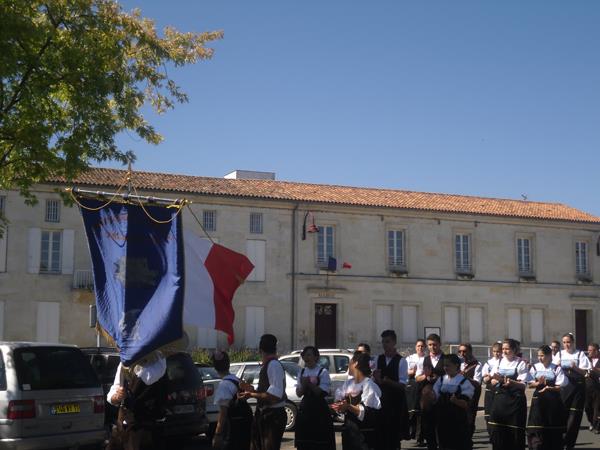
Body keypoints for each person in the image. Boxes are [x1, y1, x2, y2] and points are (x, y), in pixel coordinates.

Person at [106, 353, 168, 450]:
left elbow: (149, 377)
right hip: (130, 426)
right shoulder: (125, 363)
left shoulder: (160, 360)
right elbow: (113, 392)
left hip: (152, 426)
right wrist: (117, 396)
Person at [239, 334, 287, 450]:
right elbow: (268, 393)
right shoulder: (270, 365)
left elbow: (274, 396)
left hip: (273, 415)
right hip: (266, 414)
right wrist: (251, 390)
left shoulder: (273, 365)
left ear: (260, 350)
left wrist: (251, 394)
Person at [332, 351, 382, 450]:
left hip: (363, 434)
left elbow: (367, 413)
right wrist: (339, 407)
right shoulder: (347, 384)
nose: (348, 365)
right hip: (349, 433)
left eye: (350, 363)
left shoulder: (369, 385)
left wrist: (348, 406)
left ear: (356, 363)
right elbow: (340, 402)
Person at [488, 338, 528, 450]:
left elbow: (523, 385)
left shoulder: (520, 363)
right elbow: (492, 379)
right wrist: (494, 380)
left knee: (514, 433)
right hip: (500, 400)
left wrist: (511, 382)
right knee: (498, 431)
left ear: (514, 350)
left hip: (515, 401)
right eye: (503, 349)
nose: (504, 351)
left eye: (507, 349)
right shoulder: (499, 362)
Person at [553, 332, 591, 449]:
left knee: (574, 418)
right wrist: (557, 366)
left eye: (568, 342)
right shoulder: (559, 354)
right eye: (564, 342)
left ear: (573, 342)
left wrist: (575, 367)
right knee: (561, 416)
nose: (566, 344)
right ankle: (560, 441)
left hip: (577, 390)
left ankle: (569, 444)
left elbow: (586, 373)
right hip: (563, 390)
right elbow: (552, 370)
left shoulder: (580, 354)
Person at [526, 345, 568, 450]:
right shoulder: (535, 367)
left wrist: (549, 387)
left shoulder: (556, 368)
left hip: (552, 400)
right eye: (538, 356)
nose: (540, 358)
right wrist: (538, 383)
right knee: (537, 425)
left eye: (542, 355)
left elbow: (560, 387)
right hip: (538, 401)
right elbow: (529, 384)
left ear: (549, 355)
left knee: (552, 424)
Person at [373, 329, 409, 450]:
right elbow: (375, 381)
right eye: (383, 342)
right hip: (381, 401)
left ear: (394, 342)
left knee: (394, 435)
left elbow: (402, 385)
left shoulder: (401, 361)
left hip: (395, 402)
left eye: (387, 341)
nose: (385, 344)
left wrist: (388, 382)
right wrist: (377, 379)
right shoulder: (378, 359)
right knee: (381, 434)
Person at [294, 346, 336, 450]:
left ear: (316, 357)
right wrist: (304, 385)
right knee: (305, 442)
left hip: (319, 409)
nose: (306, 358)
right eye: (304, 355)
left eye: (309, 355)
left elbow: (322, 392)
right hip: (305, 409)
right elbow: (299, 393)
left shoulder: (322, 372)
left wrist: (309, 383)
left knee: (320, 442)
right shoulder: (302, 372)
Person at [432, 354, 475, 450]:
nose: (445, 368)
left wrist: (456, 401)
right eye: (444, 365)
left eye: (448, 365)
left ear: (456, 365)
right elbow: (434, 397)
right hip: (443, 419)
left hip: (458, 420)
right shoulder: (441, 380)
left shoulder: (463, 382)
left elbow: (466, 404)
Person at [211, 351, 252, 450]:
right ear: (229, 364)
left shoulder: (224, 386)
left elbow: (223, 414)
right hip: (244, 427)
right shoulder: (237, 380)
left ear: (215, 368)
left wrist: (217, 434)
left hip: (232, 430)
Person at [419, 333, 444, 450]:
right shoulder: (424, 359)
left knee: (441, 423)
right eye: (429, 345)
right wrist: (426, 376)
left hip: (443, 393)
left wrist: (439, 378)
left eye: (434, 344)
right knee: (428, 422)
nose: (432, 347)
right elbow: (417, 377)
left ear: (439, 344)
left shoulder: (446, 358)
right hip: (428, 394)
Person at [458, 343, 482, 445]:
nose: (462, 354)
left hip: (472, 393)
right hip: (460, 392)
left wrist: (466, 377)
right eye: (460, 351)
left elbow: (477, 383)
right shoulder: (458, 364)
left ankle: (468, 439)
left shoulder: (477, 364)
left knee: (470, 416)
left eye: (464, 351)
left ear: (470, 352)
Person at [405, 339, 426, 445]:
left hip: (423, 384)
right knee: (411, 410)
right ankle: (410, 432)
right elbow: (405, 371)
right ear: (415, 347)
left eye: (422, 346)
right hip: (411, 385)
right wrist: (411, 372)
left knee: (420, 411)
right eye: (418, 346)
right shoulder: (410, 358)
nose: (420, 348)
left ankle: (420, 437)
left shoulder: (427, 358)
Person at [482, 342, 502, 439]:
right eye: (494, 351)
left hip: (500, 389)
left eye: (498, 351)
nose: (496, 353)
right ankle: (491, 435)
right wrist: (489, 377)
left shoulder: (504, 362)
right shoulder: (488, 363)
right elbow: (485, 379)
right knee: (489, 414)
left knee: (498, 413)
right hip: (490, 390)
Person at [585, 343, 600, 434]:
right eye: (588, 350)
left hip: (597, 388)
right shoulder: (586, 359)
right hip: (587, 387)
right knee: (587, 407)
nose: (589, 352)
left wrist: (593, 368)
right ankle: (591, 422)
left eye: (590, 350)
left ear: (596, 351)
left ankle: (597, 426)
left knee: (597, 408)